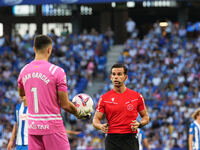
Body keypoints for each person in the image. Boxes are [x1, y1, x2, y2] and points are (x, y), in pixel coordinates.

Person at [17, 35, 88, 150]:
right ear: (49, 50)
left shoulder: (24, 71)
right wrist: (79, 113)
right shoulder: (57, 71)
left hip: (33, 127)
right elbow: (65, 105)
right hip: (52, 127)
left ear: (34, 49)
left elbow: (22, 95)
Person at [92, 63, 150, 150]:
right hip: (112, 139)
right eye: (113, 74)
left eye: (119, 74)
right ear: (111, 77)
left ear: (126, 77)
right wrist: (100, 126)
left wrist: (139, 124)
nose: (116, 77)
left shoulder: (137, 96)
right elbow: (95, 120)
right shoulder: (104, 98)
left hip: (130, 138)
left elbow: (146, 117)